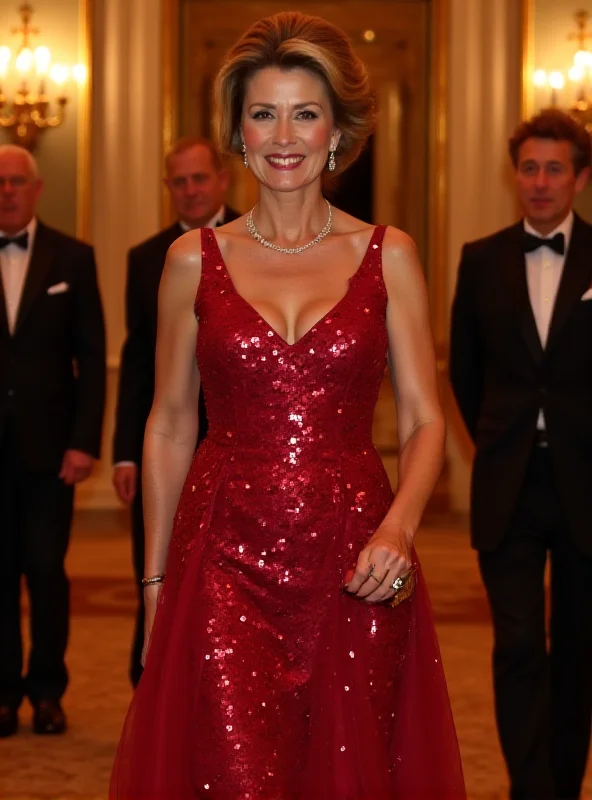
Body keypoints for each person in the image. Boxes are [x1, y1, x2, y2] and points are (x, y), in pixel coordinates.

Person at [110, 12, 465, 797]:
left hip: (355, 559)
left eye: (305, 113)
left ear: (337, 130)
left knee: (349, 771)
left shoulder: (390, 255)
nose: (283, 134)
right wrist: (157, 586)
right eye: (263, 112)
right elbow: (169, 424)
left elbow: (425, 419)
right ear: (238, 131)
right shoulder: (190, 261)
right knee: (233, 772)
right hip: (222, 559)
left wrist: (400, 529)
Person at [450, 109, 592, 800]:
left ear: (580, 178)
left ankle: (562, 786)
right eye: (529, 168)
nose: (539, 182)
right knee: (516, 647)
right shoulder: (481, 260)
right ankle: (529, 789)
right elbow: (464, 374)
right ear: (516, 176)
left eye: (554, 168)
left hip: (588, 484)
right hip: (508, 481)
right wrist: (499, 439)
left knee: (576, 651)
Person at [112, 137, 239, 688]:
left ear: (222, 180)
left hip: (238, 442)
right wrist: (125, 452)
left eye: (198, 179)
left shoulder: (256, 243)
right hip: (166, 441)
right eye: (178, 182)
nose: (189, 191)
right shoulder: (146, 258)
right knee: (159, 561)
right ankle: (155, 684)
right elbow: (139, 362)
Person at [0, 144, 106, 737]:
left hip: (50, 452)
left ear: (37, 189)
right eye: (0, 183)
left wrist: (83, 441)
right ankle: (1, 693)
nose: (8, 191)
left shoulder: (74, 257)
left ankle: (46, 692)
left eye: (17, 181)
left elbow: (91, 361)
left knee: (45, 570)